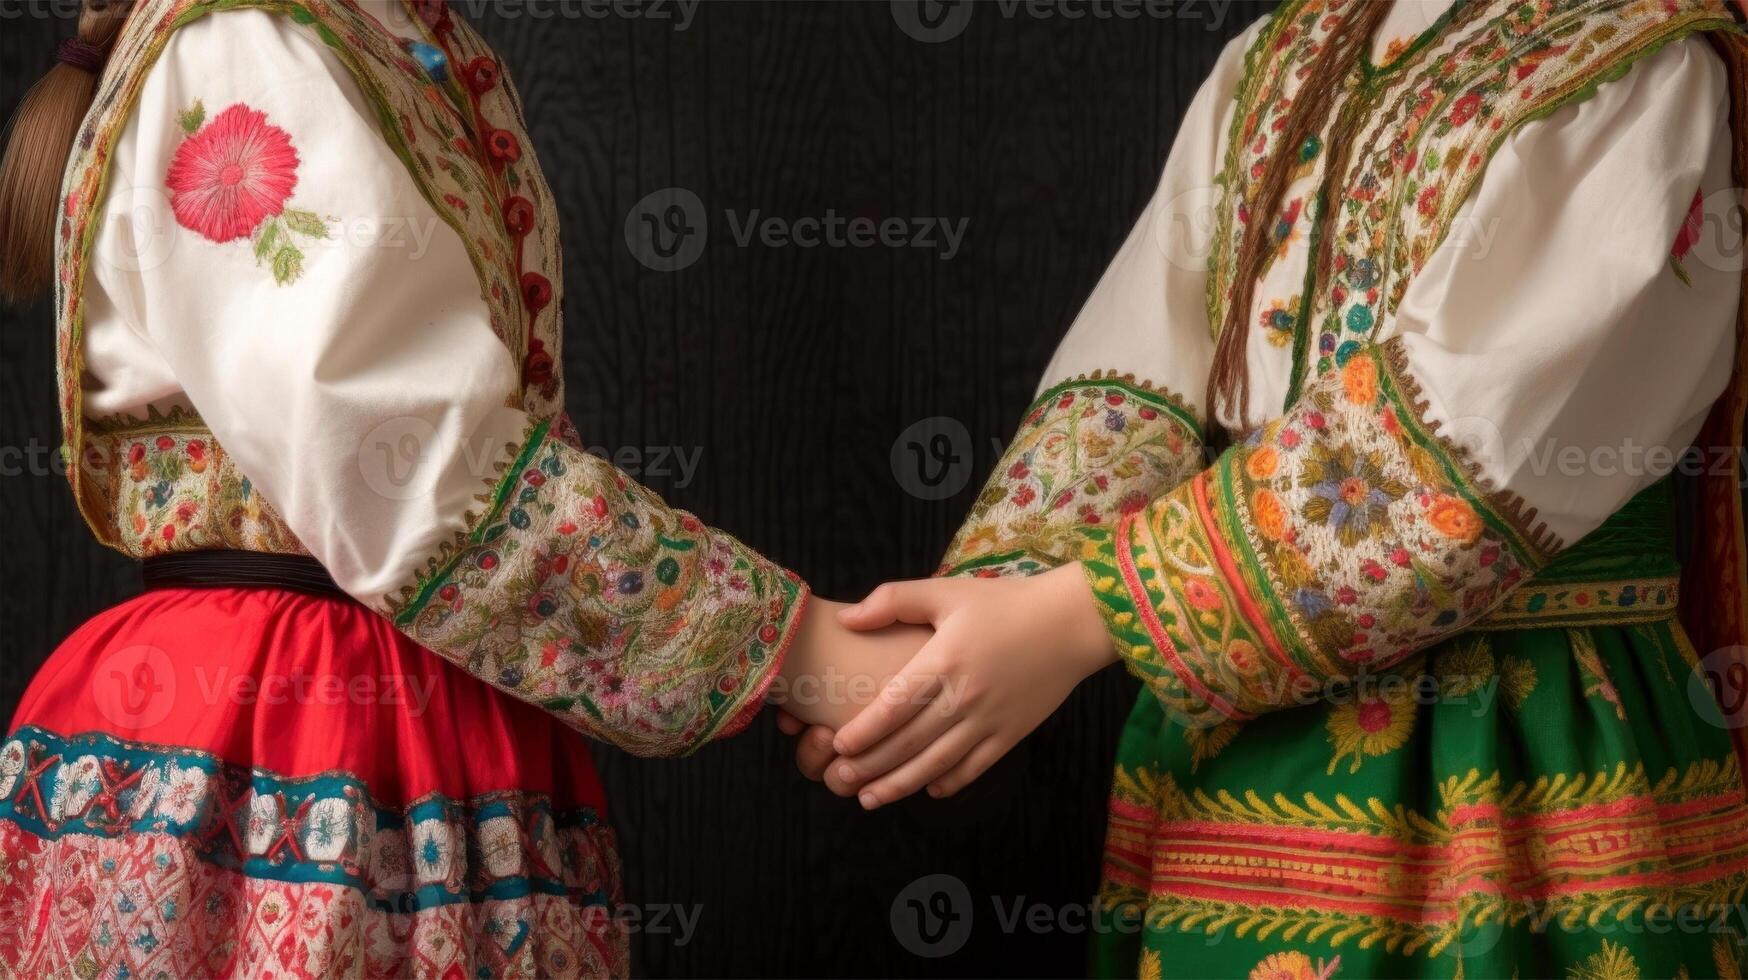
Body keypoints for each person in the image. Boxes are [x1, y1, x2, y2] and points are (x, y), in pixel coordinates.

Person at [798, 1, 1748, 976]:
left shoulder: (1636, 60)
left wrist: (1075, 616)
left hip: (1520, 736)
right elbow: (1140, 364)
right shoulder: (1276, 54)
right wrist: (987, 608)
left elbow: (1474, 436)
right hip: (1227, 750)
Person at [0, 0, 925, 975]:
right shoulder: (244, 41)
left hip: (436, 701)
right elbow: (402, 462)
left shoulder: (403, 38)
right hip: (283, 717)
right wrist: (793, 648)